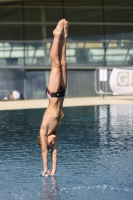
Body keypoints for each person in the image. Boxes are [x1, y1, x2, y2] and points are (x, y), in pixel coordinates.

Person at [37, 19, 68, 176]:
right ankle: (64, 36)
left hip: (53, 92)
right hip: (62, 92)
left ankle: (56, 36)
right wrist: (53, 171)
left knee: (55, 64)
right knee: (63, 63)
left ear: (44, 140)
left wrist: (45, 168)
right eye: (52, 144)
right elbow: (54, 153)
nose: (53, 142)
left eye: (49, 143)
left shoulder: (45, 130)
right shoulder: (55, 131)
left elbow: (45, 151)